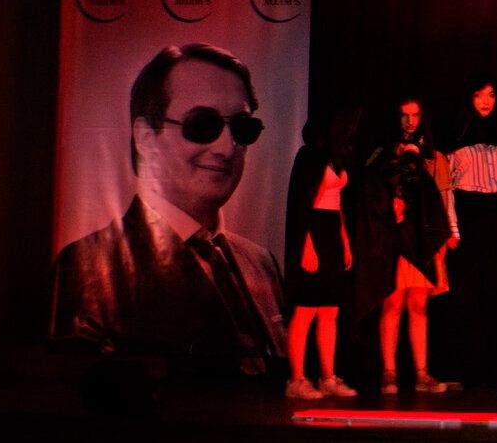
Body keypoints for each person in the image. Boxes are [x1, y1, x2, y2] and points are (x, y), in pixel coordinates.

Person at [51, 43, 286, 374]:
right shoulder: (90, 266)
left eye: (242, 128)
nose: (226, 148)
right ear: (145, 138)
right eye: (201, 125)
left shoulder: (260, 263)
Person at [355, 101, 454, 395]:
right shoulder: (384, 154)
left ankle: (422, 372)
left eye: (415, 115)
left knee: (419, 305)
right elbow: (370, 189)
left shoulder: (433, 157)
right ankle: (389, 372)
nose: (410, 121)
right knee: (393, 303)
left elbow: (442, 199)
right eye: (405, 115)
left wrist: (442, 238)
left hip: (423, 238)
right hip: (393, 237)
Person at [443, 77, 497, 388]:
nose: (486, 101)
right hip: (468, 213)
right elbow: (447, 187)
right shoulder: (456, 136)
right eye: (479, 95)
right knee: (467, 295)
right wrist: (452, 226)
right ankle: (465, 370)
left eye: (491, 95)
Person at [281, 109, 360, 400]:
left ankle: (328, 377)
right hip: (311, 231)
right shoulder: (308, 157)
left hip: (331, 233)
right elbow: (302, 205)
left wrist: (345, 241)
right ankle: (296, 379)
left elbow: (337, 204)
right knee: (305, 310)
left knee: (329, 310)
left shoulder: (337, 160)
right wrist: (307, 245)